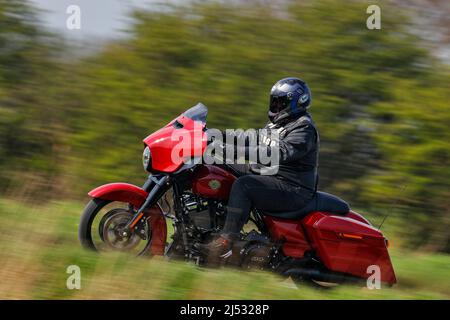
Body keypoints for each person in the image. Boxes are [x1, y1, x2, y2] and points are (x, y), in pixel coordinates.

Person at [197, 77, 320, 261]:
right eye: (274, 101)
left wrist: (228, 150)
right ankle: (204, 227)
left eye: (280, 102)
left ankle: (226, 243)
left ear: (295, 103)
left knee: (244, 185)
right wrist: (213, 135)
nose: (275, 106)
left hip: (292, 188)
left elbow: (275, 153)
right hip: (268, 174)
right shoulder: (279, 124)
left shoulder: (304, 129)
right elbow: (253, 138)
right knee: (216, 165)